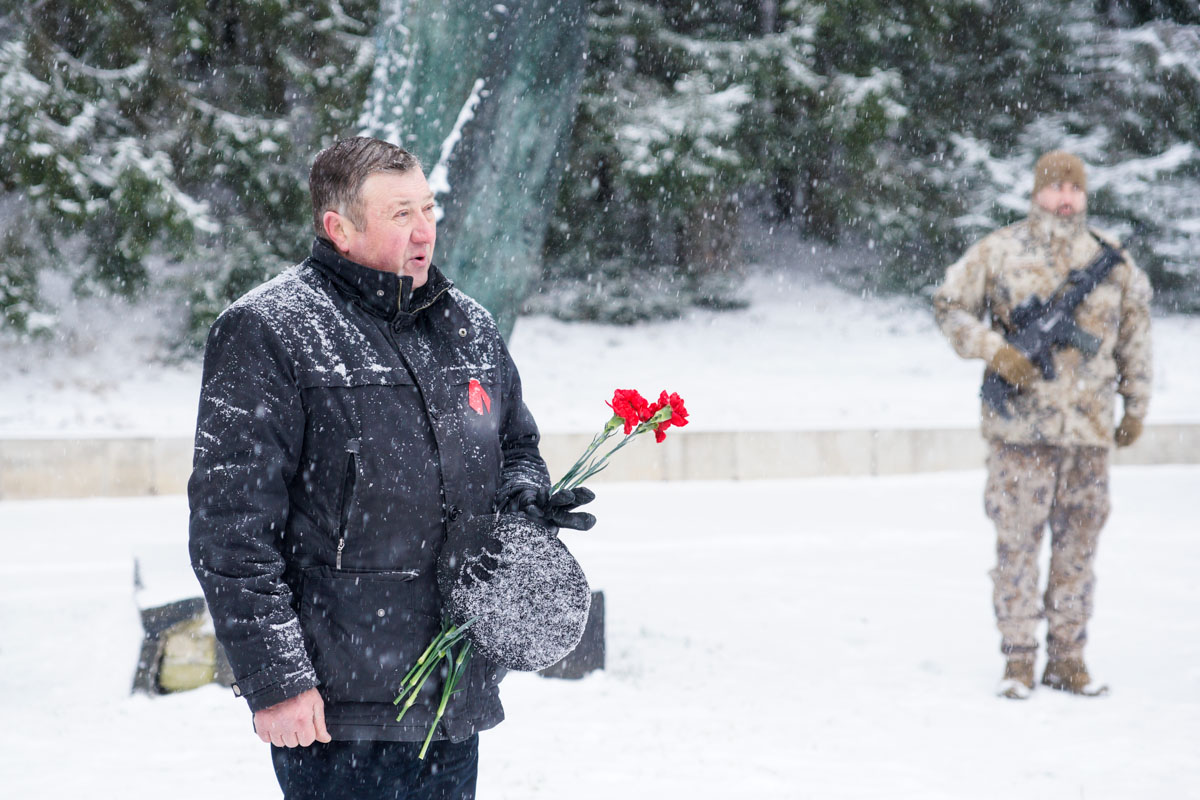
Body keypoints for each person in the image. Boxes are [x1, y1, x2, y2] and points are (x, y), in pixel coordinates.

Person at [188, 136, 592, 799]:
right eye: (400, 213)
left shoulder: (469, 325)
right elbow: (231, 530)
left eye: (428, 208)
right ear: (338, 227)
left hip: (451, 691)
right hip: (337, 710)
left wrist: (524, 498)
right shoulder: (268, 331)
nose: (424, 229)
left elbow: (515, 447)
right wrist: (276, 679)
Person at [933, 150, 1152, 700]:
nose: (1064, 197)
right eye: (1054, 187)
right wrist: (995, 350)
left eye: (1073, 188)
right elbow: (949, 305)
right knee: (1017, 547)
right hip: (1019, 433)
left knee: (1078, 549)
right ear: (1036, 193)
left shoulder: (1113, 262)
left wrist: (1137, 406)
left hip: (1088, 432)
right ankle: (1018, 661)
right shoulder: (1000, 251)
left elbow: (1135, 336)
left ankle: (1069, 658)